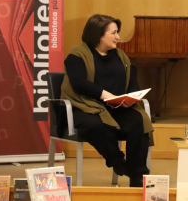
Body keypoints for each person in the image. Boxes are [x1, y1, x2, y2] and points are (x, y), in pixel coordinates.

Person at [61, 14, 153, 187]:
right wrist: (105, 95)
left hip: (117, 107)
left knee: (139, 121)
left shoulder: (121, 56)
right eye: (114, 32)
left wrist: (132, 98)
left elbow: (132, 80)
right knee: (95, 125)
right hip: (86, 106)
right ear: (98, 34)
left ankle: (138, 176)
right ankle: (118, 162)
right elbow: (79, 83)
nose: (118, 37)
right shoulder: (77, 55)